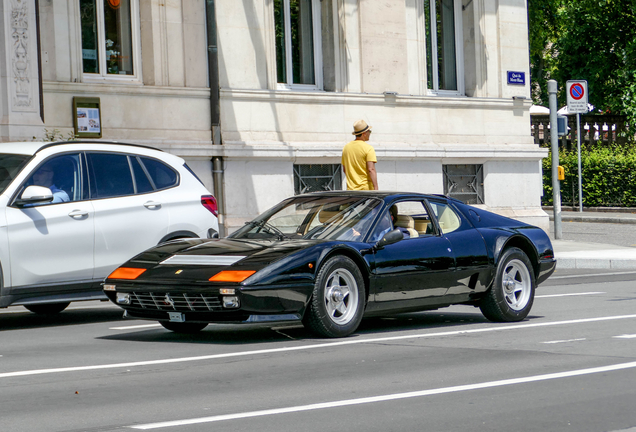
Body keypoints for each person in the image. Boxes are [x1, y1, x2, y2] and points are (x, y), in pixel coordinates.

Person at [341, 119, 378, 190]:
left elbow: (345, 169)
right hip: (366, 190)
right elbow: (371, 169)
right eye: (369, 131)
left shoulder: (346, 148)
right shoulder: (368, 148)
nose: (370, 133)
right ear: (364, 133)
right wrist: (376, 188)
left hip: (351, 190)